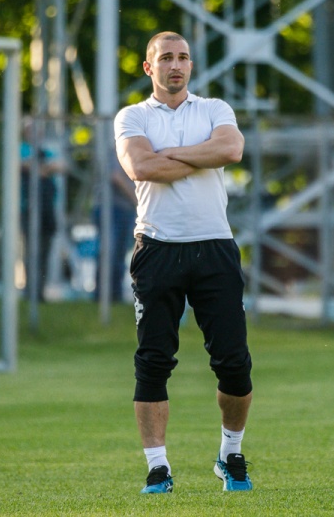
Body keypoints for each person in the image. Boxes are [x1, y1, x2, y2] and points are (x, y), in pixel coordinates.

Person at [115, 31, 253, 493]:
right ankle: (158, 467)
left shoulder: (214, 109)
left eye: (183, 58)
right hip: (157, 248)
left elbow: (231, 151)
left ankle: (230, 454)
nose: (176, 65)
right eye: (166, 58)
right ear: (148, 67)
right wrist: (200, 155)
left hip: (215, 247)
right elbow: (141, 167)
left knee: (234, 363)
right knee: (153, 361)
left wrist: (169, 154)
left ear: (191, 65)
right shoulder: (132, 116)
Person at [20, 121, 65, 301]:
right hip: (28, 208)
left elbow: (60, 165)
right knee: (31, 250)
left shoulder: (47, 150)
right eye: (31, 130)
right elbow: (21, 164)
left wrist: (39, 169)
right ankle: (30, 291)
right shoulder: (21, 149)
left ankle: (39, 291)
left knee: (45, 250)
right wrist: (43, 168)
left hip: (47, 209)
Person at [93, 153, 137, 302]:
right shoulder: (117, 147)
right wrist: (138, 200)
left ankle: (114, 295)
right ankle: (103, 295)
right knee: (109, 251)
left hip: (125, 208)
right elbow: (116, 176)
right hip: (111, 208)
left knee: (119, 253)